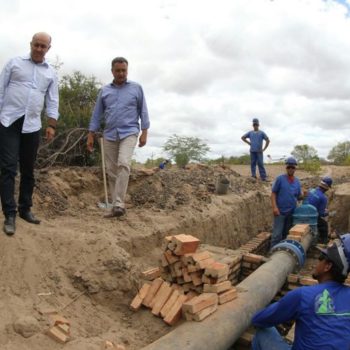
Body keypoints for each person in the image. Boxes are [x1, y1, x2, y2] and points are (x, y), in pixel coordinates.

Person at [0, 32, 59, 236]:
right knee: (8, 167)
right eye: (37, 45)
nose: (39, 49)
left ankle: (25, 209)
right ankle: (9, 214)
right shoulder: (14, 63)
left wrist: (51, 124)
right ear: (31, 44)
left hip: (32, 125)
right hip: (9, 121)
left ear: (48, 49)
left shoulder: (51, 72)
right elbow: (1, 88)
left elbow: (52, 99)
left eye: (44, 46)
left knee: (28, 169)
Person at [251, 233, 350, 350]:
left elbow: (260, 320)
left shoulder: (303, 295)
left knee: (263, 332)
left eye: (321, 258)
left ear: (327, 267)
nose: (317, 262)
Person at [87, 57, 150, 218]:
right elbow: (96, 114)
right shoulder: (105, 91)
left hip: (129, 132)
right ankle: (116, 206)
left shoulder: (137, 88)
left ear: (127, 71)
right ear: (112, 71)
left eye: (124, 70)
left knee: (123, 163)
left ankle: (119, 203)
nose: (121, 73)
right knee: (111, 171)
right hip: (109, 134)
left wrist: (145, 132)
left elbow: (143, 110)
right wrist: (91, 134)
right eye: (118, 70)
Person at [271, 157, 302, 247]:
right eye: (289, 167)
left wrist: (304, 195)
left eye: (292, 167)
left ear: (295, 168)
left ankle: (282, 251)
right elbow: (273, 194)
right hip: (280, 212)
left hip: (291, 212)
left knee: (286, 234)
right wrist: (274, 207)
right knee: (277, 234)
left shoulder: (297, 182)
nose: (291, 169)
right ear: (286, 168)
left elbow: (298, 197)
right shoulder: (280, 179)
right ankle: (272, 252)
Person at [306, 176, 333, 244]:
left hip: (303, 212)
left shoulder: (311, 190)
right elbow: (320, 214)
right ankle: (323, 242)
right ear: (327, 188)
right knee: (324, 225)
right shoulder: (323, 198)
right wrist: (328, 213)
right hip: (311, 216)